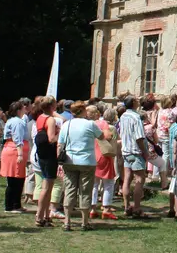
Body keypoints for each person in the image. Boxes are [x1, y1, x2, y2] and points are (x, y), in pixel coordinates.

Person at [57, 101, 106, 231]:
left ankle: (67, 221)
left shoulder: (66, 125)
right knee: (85, 191)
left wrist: (59, 162)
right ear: (83, 111)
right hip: (87, 161)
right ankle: (85, 222)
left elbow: (60, 144)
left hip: (69, 160)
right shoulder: (90, 124)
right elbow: (101, 137)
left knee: (69, 190)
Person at [119, 95, 148, 218]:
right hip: (136, 151)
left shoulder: (123, 116)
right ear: (133, 103)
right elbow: (139, 137)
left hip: (126, 151)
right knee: (139, 179)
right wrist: (145, 152)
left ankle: (126, 206)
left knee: (127, 179)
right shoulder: (136, 117)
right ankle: (136, 208)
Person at [33, 95, 60, 228]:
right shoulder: (50, 120)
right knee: (46, 187)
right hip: (49, 155)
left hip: (41, 154)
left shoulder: (40, 118)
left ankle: (46, 215)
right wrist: (60, 133)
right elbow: (51, 139)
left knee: (47, 185)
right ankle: (39, 216)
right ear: (51, 106)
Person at [91, 106, 118, 220]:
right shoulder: (103, 124)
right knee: (108, 183)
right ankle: (106, 209)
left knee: (94, 184)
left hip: (92, 155)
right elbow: (108, 137)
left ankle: (92, 209)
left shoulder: (88, 124)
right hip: (104, 155)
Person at [1, 102, 28, 213]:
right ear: (18, 110)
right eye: (23, 108)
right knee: (14, 179)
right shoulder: (17, 122)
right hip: (15, 151)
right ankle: (10, 206)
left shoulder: (12, 120)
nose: (25, 109)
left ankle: (16, 204)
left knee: (18, 179)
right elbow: (17, 138)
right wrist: (20, 154)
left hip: (13, 149)